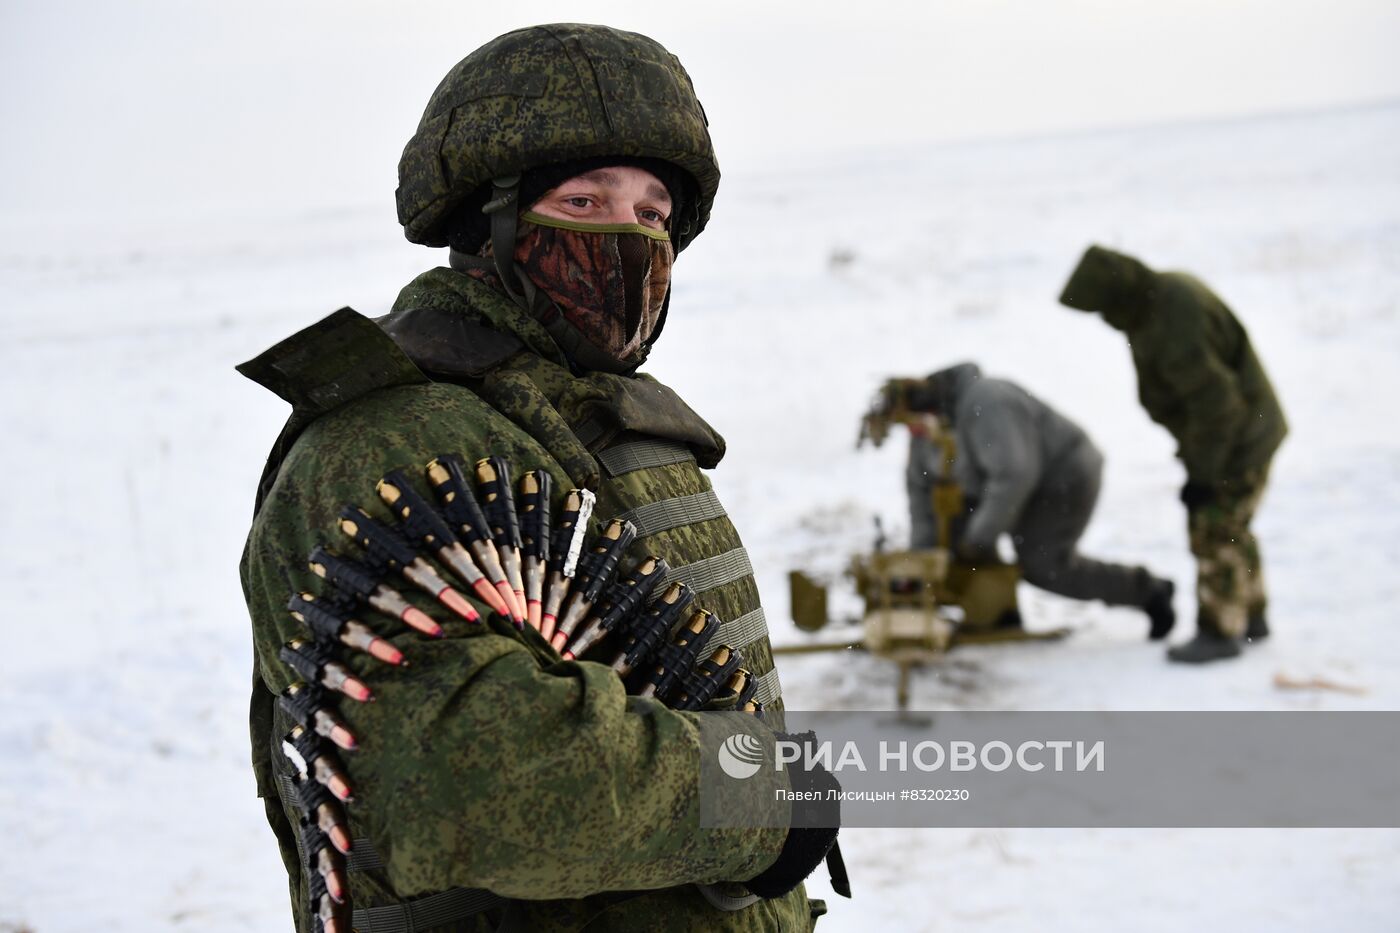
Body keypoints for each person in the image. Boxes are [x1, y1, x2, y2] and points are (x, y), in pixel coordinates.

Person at [239, 24, 835, 932]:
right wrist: (757, 800)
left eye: (652, 216)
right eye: (585, 202)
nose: (628, 241)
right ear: (487, 224)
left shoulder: (601, 415)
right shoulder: (389, 441)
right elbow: (466, 780)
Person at [1059, 245, 1288, 663]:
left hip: (1239, 439)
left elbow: (1216, 407)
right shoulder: (1155, 303)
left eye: (1103, 308)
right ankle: (1250, 615)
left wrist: (1204, 476)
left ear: (1117, 296)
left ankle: (1220, 630)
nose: (1104, 319)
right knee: (1233, 524)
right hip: (1239, 432)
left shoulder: (1173, 317)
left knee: (1215, 527)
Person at [889, 363, 1176, 638]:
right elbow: (923, 500)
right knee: (956, 530)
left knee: (1044, 565)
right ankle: (997, 610)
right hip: (1015, 484)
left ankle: (1149, 591)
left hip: (1063, 478)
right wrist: (922, 565)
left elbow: (1014, 475)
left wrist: (979, 538)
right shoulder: (925, 434)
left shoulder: (988, 401)